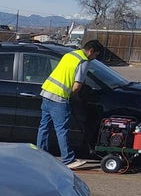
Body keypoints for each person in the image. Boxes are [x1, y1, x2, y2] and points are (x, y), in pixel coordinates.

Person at [36, 40, 103, 169]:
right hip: (59, 97)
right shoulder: (83, 62)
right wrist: (72, 96)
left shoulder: (70, 55)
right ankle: (68, 159)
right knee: (62, 130)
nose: (94, 58)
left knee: (44, 127)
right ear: (91, 51)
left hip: (47, 92)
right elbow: (77, 86)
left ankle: (40, 155)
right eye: (95, 55)